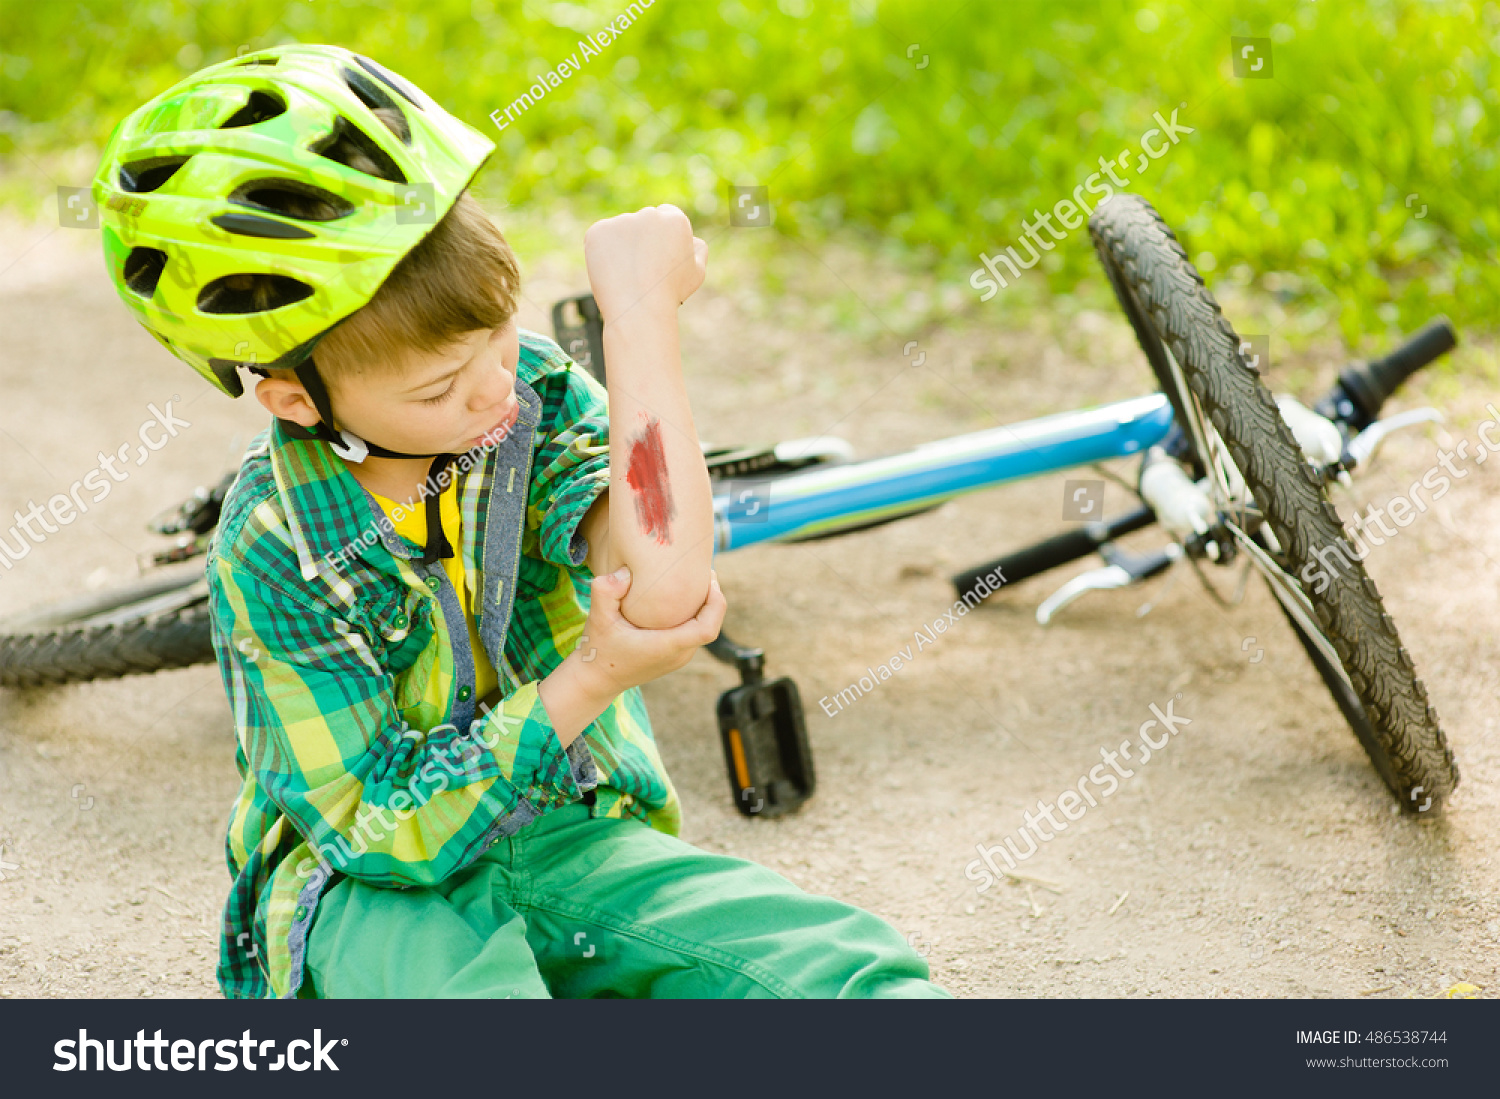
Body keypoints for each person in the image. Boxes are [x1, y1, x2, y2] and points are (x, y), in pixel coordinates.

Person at [92, 43, 948, 999]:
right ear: (297, 401)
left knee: (848, 976)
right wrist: (591, 679)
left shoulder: (530, 392)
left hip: (565, 831)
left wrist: (639, 320)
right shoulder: (273, 549)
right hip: (369, 897)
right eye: (440, 389)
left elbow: (665, 590)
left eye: (497, 335)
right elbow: (384, 826)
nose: (495, 391)